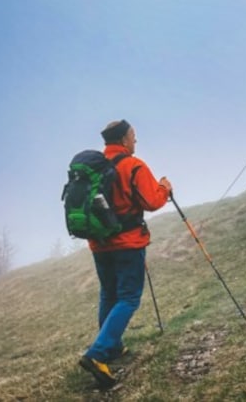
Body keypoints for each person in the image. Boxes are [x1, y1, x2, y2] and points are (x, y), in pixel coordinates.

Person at [78, 119, 172, 389]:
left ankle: (112, 347)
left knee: (109, 293)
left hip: (99, 243)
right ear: (122, 140)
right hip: (128, 242)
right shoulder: (133, 165)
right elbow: (152, 201)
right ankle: (97, 354)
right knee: (129, 298)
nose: (135, 141)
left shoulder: (94, 167)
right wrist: (165, 188)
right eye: (133, 136)